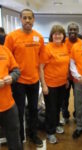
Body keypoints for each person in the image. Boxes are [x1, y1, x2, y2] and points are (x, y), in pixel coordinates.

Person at [4, 9, 44, 147]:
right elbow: (5, 60)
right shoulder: (11, 37)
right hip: (18, 82)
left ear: (33, 20)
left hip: (34, 80)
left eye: (30, 18)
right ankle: (20, 137)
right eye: (25, 18)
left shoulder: (39, 37)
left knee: (34, 110)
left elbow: (40, 61)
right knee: (19, 111)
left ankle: (33, 134)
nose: (27, 20)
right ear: (20, 19)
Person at [40, 25, 70, 144]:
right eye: (55, 34)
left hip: (62, 83)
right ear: (52, 36)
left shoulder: (64, 47)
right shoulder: (47, 48)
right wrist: (44, 85)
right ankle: (50, 132)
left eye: (60, 34)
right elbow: (41, 68)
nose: (58, 36)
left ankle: (56, 124)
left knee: (58, 107)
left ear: (63, 36)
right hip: (50, 85)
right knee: (51, 109)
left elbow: (65, 65)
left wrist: (67, 79)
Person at [0, 45, 22, 150]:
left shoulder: (5, 50)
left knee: (14, 139)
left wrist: (12, 77)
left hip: (8, 105)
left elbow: (16, 70)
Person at [61, 22, 82, 124]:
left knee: (78, 98)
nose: (72, 31)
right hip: (65, 76)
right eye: (71, 29)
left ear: (78, 31)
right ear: (67, 31)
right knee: (64, 98)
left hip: (77, 77)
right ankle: (65, 116)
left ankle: (77, 115)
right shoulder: (62, 42)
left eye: (75, 29)